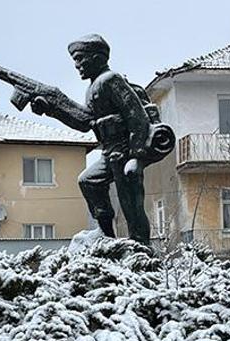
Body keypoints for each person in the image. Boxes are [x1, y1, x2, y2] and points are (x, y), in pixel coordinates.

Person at [29, 34, 154, 245]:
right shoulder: (93, 87)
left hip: (125, 150)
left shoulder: (111, 80)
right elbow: (84, 121)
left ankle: (141, 245)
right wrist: (50, 109)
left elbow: (137, 117)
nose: (77, 65)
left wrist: (137, 156)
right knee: (89, 181)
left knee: (130, 201)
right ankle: (105, 233)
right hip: (110, 151)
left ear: (97, 58)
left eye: (80, 59)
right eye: (75, 60)